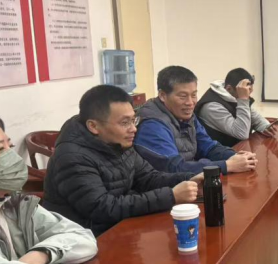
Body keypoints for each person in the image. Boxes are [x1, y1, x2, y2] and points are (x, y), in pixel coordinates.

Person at [0, 111, 97, 264]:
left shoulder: (14, 203)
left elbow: (83, 237)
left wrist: (41, 254)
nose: (13, 158)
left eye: (10, 147)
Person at [43, 85, 204, 237]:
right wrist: (171, 196)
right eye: (125, 123)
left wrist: (190, 180)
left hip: (119, 228)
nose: (133, 129)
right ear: (93, 126)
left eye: (134, 120)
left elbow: (149, 178)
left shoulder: (119, 143)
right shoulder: (71, 157)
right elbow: (103, 208)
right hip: (84, 239)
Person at [134, 66, 258, 175]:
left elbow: (208, 146)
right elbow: (173, 168)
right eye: (183, 96)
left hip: (190, 180)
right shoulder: (152, 124)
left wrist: (235, 156)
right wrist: (226, 165)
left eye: (193, 95)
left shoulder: (186, 115)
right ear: (162, 95)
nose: (190, 102)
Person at [194, 68, 277, 147]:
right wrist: (243, 99)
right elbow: (241, 133)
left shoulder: (233, 96)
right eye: (244, 92)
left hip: (237, 149)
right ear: (229, 89)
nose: (247, 95)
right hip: (219, 153)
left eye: (249, 92)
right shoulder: (211, 106)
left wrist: (265, 127)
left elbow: (255, 118)